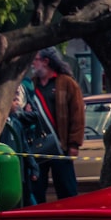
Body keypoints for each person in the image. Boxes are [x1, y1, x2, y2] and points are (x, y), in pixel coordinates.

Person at [30, 46, 85, 202]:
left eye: (35, 59)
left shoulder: (66, 83)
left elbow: (77, 114)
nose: (33, 63)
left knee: (66, 187)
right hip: (38, 147)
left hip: (61, 146)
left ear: (46, 61)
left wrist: (74, 144)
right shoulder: (31, 85)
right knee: (37, 187)